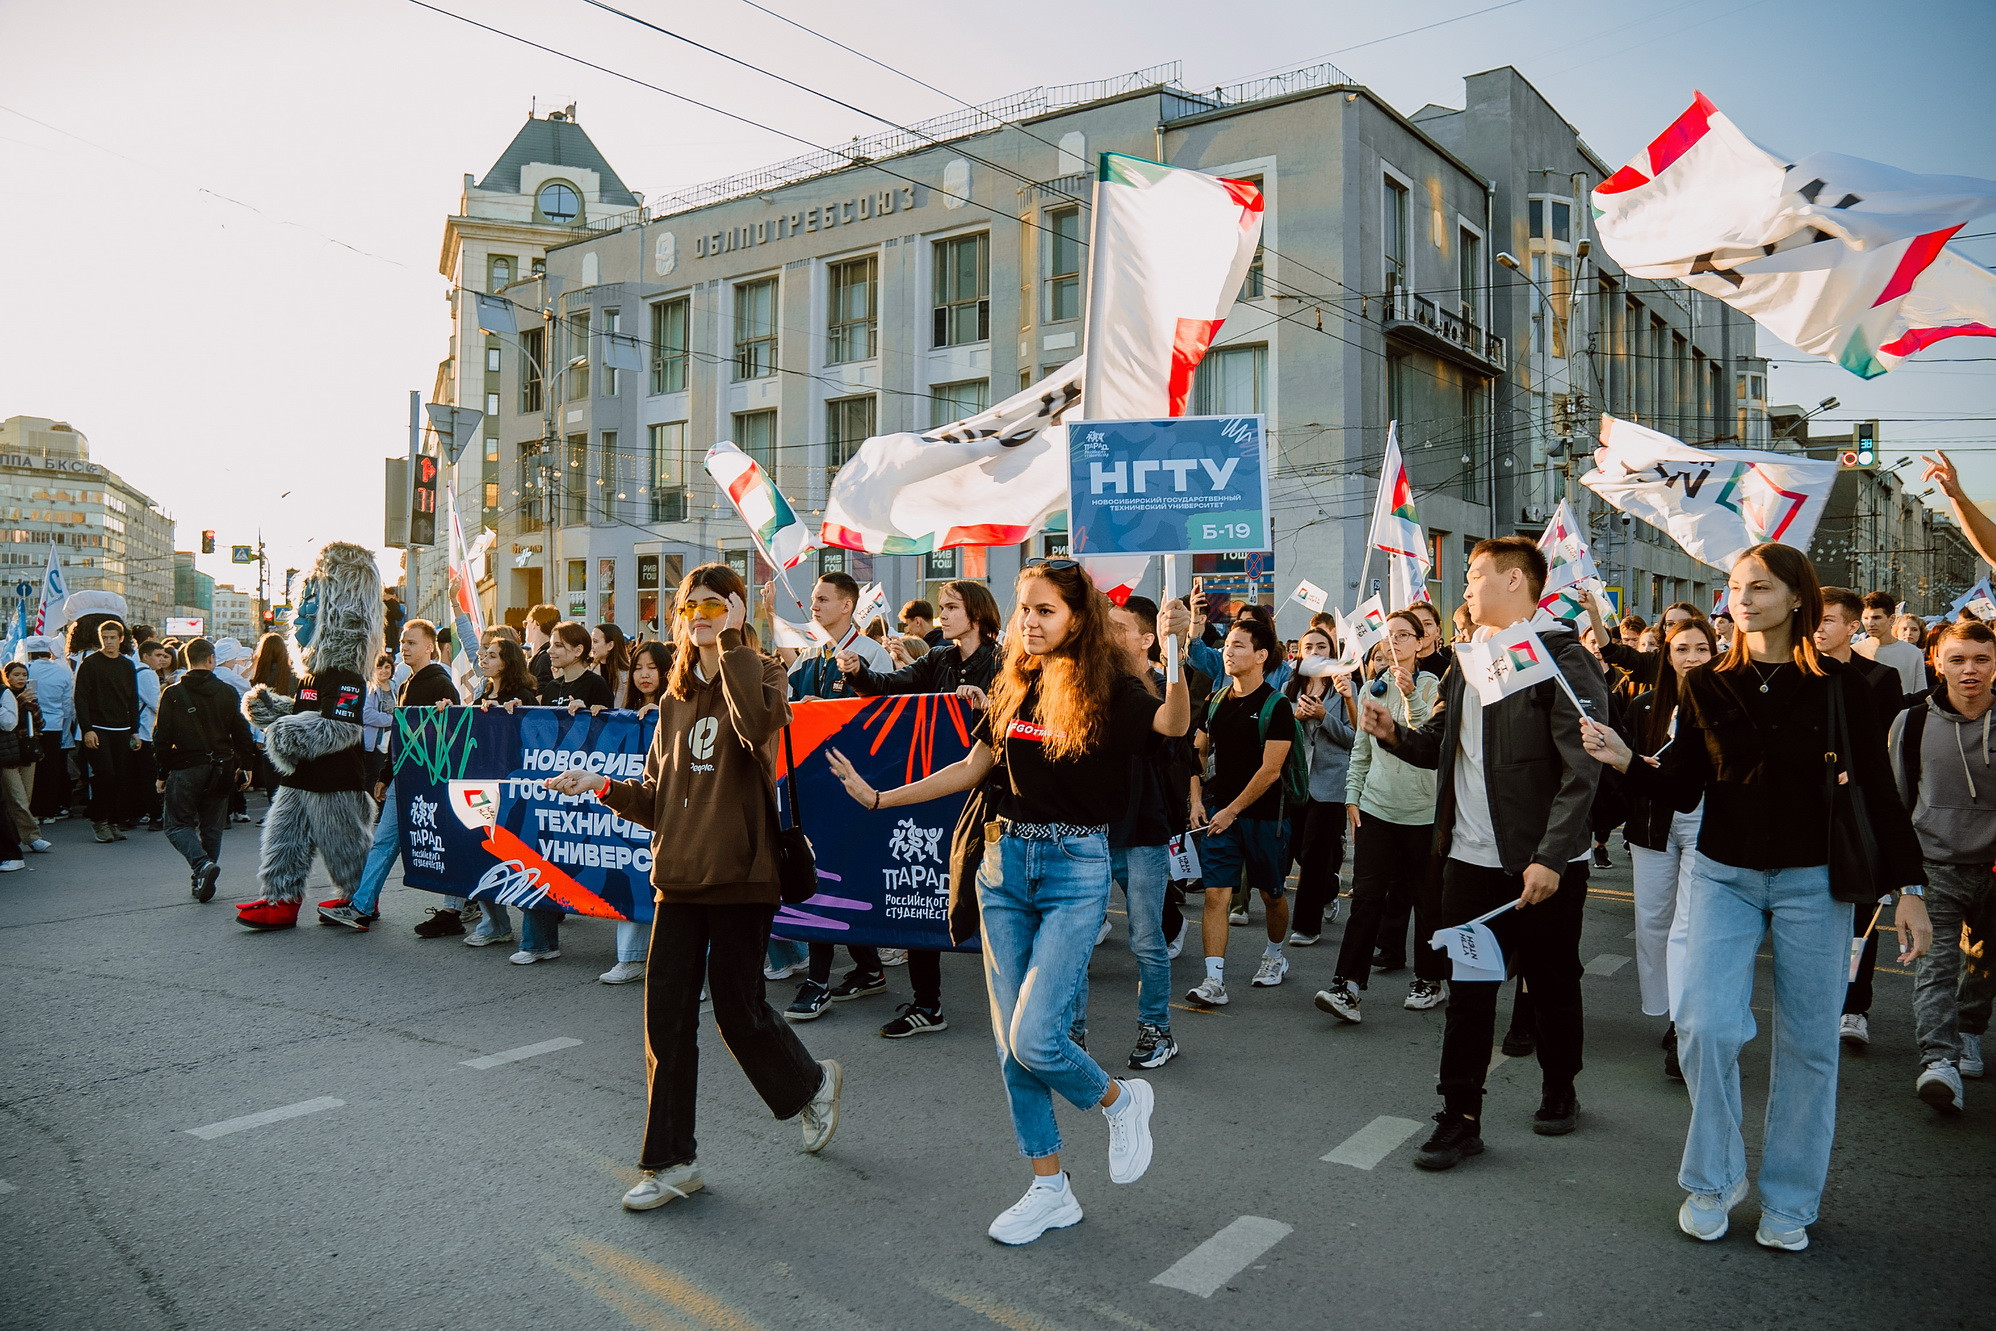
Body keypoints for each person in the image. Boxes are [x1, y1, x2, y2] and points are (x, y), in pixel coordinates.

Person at [824, 559, 1187, 1244]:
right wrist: (879, 797)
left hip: (1076, 867)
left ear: (1077, 618)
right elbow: (972, 767)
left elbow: (1170, 725)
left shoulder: (1110, 686)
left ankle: (1119, 1098)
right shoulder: (1013, 680)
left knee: (1036, 1035)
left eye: (1045, 609)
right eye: (1025, 609)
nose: (1030, 621)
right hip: (1003, 866)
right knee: (1010, 1048)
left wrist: (1175, 649)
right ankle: (1049, 1186)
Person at [1581, 542, 1929, 1251]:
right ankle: (1714, 1177)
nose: (1742, 597)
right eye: (1736, 586)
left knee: (1809, 1046)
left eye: (1759, 586)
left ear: (1796, 597)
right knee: (1705, 1024)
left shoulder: (1845, 687)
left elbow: (1880, 795)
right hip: (1722, 873)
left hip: (1815, 881)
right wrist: (1625, 760)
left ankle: (1791, 1199)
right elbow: (1682, 784)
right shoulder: (1706, 682)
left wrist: (1909, 889)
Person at [544, 562, 844, 1212]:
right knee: (665, 1023)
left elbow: (757, 730)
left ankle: (811, 1085)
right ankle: (671, 1160)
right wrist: (598, 785)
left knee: (740, 1013)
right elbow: (656, 799)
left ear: (738, 609)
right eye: (692, 607)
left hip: (742, 877)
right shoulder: (674, 699)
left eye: (715, 604)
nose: (701, 615)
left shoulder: (762, 674)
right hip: (677, 879)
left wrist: (730, 645)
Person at [1360, 536, 1609, 1170]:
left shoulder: (1561, 659)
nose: (1464, 589)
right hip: (1467, 861)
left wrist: (1552, 857)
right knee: (1471, 989)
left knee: (1552, 981)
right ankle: (1459, 1115)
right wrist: (1393, 734)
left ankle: (1560, 1085)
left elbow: (1582, 770)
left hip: (1543, 865)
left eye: (1474, 576)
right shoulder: (1466, 663)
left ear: (1516, 583)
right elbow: (1442, 747)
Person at [836, 579, 1002, 1037]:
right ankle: (927, 1006)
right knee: (924, 894)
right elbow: (888, 688)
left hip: (992, 800)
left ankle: (1019, 1007)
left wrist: (987, 707)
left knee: (994, 901)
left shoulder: (1006, 663)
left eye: (951, 607)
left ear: (978, 613)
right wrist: (855, 673)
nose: (942, 614)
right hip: (934, 796)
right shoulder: (939, 659)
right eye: (942, 607)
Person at [1082, 594, 1197, 1069]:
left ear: (1146, 637)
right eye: (1102, 625)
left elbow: (1175, 737)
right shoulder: (1087, 682)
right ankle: (1071, 1034)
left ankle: (1157, 1030)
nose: (1106, 634)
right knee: (1076, 939)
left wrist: (1177, 645)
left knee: (1147, 940)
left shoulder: (1159, 687)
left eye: (1118, 627)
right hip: (1088, 832)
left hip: (1143, 833)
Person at [1315, 610, 1446, 1023]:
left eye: (1403, 636)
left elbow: (1428, 742)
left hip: (1423, 814)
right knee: (1367, 899)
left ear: (1420, 643)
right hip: (1376, 809)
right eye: (1388, 636)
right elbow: (1362, 749)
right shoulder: (1374, 688)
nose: (1393, 644)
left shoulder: (1431, 686)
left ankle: (1429, 978)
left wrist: (1408, 695)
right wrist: (1352, 795)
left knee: (1427, 902)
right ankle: (1347, 986)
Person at [1889, 620, 1996, 1111]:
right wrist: (1903, 881)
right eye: (1958, 659)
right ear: (1937, 662)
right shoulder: (1910, 724)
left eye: (1981, 659)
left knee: (1987, 962)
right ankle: (1939, 1061)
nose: (1969, 670)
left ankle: (1970, 1029)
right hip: (1935, 865)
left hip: (1993, 866)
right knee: (1934, 965)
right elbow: (1894, 803)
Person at [784, 572, 894, 1021]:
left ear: (848, 605)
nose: (814, 605)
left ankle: (818, 979)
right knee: (826, 874)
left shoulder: (872, 655)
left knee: (833, 875)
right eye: (813, 598)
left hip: (853, 788)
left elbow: (887, 721)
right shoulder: (806, 657)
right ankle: (868, 969)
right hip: (808, 788)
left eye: (823, 598)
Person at [1184, 614, 1303, 1005]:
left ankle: (1274, 955)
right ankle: (1213, 981)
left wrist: (1232, 810)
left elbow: (1270, 771)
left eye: (1237, 645)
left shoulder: (1277, 706)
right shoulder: (1216, 700)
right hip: (1220, 814)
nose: (1227, 652)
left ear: (1260, 655)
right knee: (1216, 895)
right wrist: (1197, 799)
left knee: (1271, 894)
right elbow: (1197, 753)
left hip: (1266, 817)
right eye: (1226, 645)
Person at [1621, 618, 1718, 1079]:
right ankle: (1664, 1007)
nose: (1692, 657)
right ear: (1668, 657)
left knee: (1690, 923)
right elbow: (1618, 760)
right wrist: (1634, 763)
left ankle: (1684, 1021)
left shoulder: (1725, 705)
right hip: (1652, 823)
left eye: (1702, 648)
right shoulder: (1644, 707)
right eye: (1682, 649)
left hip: (1706, 823)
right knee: (1654, 922)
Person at [324, 620, 463, 934]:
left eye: (412, 643)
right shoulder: (405, 685)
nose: (405, 648)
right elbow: (399, 736)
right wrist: (386, 775)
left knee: (443, 842)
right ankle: (362, 906)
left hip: (433, 777)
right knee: (384, 842)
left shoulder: (441, 683)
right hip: (404, 775)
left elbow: (455, 731)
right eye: (403, 642)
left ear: (430, 646)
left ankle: (453, 910)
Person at [1817, 586, 1909, 1050]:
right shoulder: (1796, 673)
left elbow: (1884, 754)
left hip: (1857, 811)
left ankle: (1855, 1006)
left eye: (1829, 619)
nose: (1818, 627)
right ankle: (1818, 1003)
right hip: (1809, 813)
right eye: (1813, 617)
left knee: (1860, 912)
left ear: (1853, 626)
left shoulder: (1879, 677)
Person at [152, 638, 257, 901]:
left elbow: (162, 738)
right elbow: (241, 732)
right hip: (222, 766)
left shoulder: (173, 694)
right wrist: (247, 765)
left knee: (176, 825)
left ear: (187, 661)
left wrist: (162, 773)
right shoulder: (227, 691)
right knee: (212, 827)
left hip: (186, 766)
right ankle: (203, 874)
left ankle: (201, 865)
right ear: (211, 659)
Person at [599, 638, 675, 985]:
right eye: (638, 668)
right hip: (634, 805)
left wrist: (660, 714)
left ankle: (789, 953)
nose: (644, 675)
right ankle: (631, 958)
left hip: (670, 807)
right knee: (630, 871)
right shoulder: (625, 709)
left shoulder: (678, 706)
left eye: (652, 668)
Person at [1284, 626, 1353, 946]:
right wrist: (1296, 717)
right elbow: (1279, 734)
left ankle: (1306, 926)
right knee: (1299, 850)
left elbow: (1354, 739)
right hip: (1297, 781)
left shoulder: (1343, 688)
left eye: (1321, 645)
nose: (1314, 650)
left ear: (1331, 651)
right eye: (1308, 645)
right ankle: (1329, 886)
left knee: (1312, 853)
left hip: (1332, 782)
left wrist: (1325, 715)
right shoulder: (1288, 686)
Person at [74, 619, 140, 843]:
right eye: (105, 638)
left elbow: (133, 698)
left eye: (113, 638)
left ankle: (112, 821)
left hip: (123, 729)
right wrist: (87, 729)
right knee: (105, 774)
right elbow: (80, 698)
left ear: (121, 639)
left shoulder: (127, 665)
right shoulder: (90, 663)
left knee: (121, 777)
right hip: (98, 728)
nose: (109, 642)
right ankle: (99, 821)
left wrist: (135, 730)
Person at [25, 638, 74, 822]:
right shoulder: (61, 673)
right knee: (52, 768)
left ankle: (34, 808)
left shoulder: (28, 670)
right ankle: (50, 809)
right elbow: (67, 705)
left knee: (34, 768)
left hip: (32, 725)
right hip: (55, 725)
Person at [1, 663, 47, 853]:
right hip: (9, 754)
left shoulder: (30, 698)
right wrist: (18, 703)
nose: (20, 678)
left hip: (28, 752)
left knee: (24, 798)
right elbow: (8, 723)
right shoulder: (5, 695)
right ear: (7, 677)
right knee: (16, 797)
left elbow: (40, 724)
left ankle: (14, 836)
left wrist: (31, 706)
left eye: (24, 675)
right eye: (16, 674)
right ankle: (33, 837)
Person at [1854, 591, 1927, 696]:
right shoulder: (1855, 651)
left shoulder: (1913, 653)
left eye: (1876, 617)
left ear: (1892, 619)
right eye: (1865, 618)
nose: (1870, 623)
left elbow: (1920, 694)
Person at [132, 639, 172, 831]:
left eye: (164, 655)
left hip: (134, 731)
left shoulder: (133, 670)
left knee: (136, 775)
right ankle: (156, 816)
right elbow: (156, 704)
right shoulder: (147, 674)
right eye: (158, 655)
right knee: (150, 776)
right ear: (145, 656)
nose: (162, 659)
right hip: (146, 732)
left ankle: (135, 814)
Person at [541, 621, 615, 712]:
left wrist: (584, 713)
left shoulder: (596, 685)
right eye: (550, 645)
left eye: (558, 645)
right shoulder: (551, 687)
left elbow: (607, 722)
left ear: (578, 650)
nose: (549, 650)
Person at [360, 652, 396, 789]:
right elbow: (366, 714)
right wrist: (392, 720)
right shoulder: (370, 688)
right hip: (374, 745)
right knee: (372, 780)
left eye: (387, 667)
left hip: (390, 742)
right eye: (379, 667)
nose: (383, 671)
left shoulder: (395, 686)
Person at [593, 622, 634, 706]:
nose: (591, 646)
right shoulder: (590, 671)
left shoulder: (629, 674)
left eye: (595, 641)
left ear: (610, 645)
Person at [524, 603, 560, 692]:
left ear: (535, 623)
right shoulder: (549, 654)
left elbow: (542, 693)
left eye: (526, 623)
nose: (525, 627)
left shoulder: (544, 657)